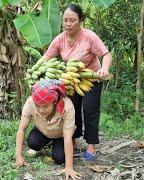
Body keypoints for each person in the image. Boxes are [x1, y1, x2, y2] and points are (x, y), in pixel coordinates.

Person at [40, 4, 112, 160]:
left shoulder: (89, 37)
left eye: (72, 20)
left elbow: (106, 54)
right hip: (72, 80)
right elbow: (47, 57)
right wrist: (36, 69)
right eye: (65, 20)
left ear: (80, 20)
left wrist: (104, 69)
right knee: (72, 109)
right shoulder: (60, 39)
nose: (67, 24)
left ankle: (91, 147)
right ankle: (72, 140)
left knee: (90, 110)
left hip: (91, 78)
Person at [15, 80, 81, 180]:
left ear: (54, 102)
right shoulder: (30, 102)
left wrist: (69, 167)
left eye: (46, 106)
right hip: (42, 131)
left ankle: (58, 144)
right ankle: (45, 143)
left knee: (59, 158)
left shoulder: (67, 106)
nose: (41, 110)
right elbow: (21, 129)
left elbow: (67, 138)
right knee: (32, 142)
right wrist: (18, 156)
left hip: (61, 135)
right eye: (38, 106)